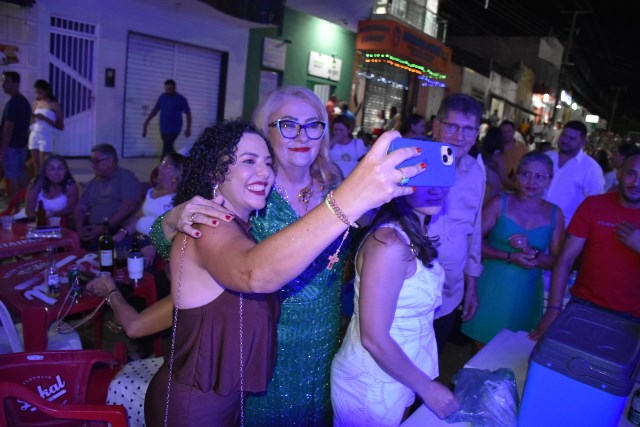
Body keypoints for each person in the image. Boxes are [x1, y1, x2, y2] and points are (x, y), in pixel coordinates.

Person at [143, 119, 423, 426]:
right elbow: (254, 274)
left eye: (267, 162)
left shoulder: (242, 229)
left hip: (227, 405)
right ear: (214, 172)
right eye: (248, 161)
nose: (264, 172)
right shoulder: (210, 225)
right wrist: (350, 199)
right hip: (192, 409)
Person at [331, 186, 459, 425]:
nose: (435, 189)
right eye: (424, 180)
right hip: (374, 381)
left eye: (441, 178)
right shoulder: (389, 245)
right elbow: (373, 338)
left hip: (401, 370)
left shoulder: (412, 230)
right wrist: (427, 388)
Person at [531, 149, 640, 339]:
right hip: (583, 305)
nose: (636, 182)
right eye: (631, 173)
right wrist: (553, 309)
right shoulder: (594, 205)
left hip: (633, 319)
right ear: (619, 173)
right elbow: (565, 260)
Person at [461, 152, 564, 348]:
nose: (531, 181)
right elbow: (471, 243)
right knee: (481, 351)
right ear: (516, 175)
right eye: (526, 174)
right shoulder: (500, 203)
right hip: (492, 287)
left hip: (527, 294)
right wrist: (508, 256)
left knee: (514, 352)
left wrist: (532, 252)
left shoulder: (555, 214)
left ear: (549, 180)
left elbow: (557, 263)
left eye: (539, 176)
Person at [428, 93, 486, 350]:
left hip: (450, 293)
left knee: (432, 362)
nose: (459, 136)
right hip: (407, 291)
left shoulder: (477, 172)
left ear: (476, 134)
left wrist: (471, 287)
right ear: (436, 126)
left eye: (468, 129)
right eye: (452, 126)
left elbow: (474, 232)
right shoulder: (413, 162)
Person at [87, 275, 171, 427]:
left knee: (121, 385)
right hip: (203, 368)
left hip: (198, 383)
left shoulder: (198, 289)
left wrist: (110, 290)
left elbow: (134, 326)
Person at [113, 152, 185, 266]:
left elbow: (177, 230)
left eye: (166, 165)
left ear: (176, 173)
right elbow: (139, 217)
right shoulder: (151, 192)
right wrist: (123, 232)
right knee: (111, 252)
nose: (159, 167)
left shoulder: (179, 198)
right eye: (161, 163)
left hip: (156, 244)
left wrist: (154, 247)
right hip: (135, 238)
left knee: (135, 265)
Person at [74, 144, 141, 249]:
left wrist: (104, 227)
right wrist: (79, 227)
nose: (93, 165)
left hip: (117, 232)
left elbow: (129, 206)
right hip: (93, 230)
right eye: (92, 161)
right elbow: (81, 207)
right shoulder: (93, 182)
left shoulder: (126, 177)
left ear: (110, 161)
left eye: (96, 161)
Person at [543, 120, 604, 228]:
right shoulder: (546, 157)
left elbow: (595, 205)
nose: (565, 140)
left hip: (566, 228)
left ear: (583, 142)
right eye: (564, 135)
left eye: (572, 138)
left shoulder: (591, 168)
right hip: (534, 222)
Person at [0, 71, 31, 198]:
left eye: (6, 81)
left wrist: (1, 152)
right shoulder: (24, 102)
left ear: (16, 84)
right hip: (21, 146)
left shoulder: (12, 104)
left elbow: (8, 130)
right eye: (2, 81)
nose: (3, 84)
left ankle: (16, 207)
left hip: (11, 147)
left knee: (12, 178)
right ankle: (32, 201)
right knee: (20, 175)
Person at [142, 79, 192, 158]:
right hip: (163, 128)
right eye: (166, 89)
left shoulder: (181, 99)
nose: (168, 91)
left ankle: (163, 164)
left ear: (174, 88)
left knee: (166, 148)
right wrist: (147, 120)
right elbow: (155, 110)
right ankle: (179, 161)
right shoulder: (162, 97)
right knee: (168, 148)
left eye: (170, 89)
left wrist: (188, 128)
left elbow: (188, 113)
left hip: (174, 129)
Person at [24, 154, 79, 224]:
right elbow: (29, 212)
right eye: (52, 169)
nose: (56, 173)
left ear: (66, 170)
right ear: (45, 172)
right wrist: (43, 220)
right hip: (33, 221)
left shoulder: (71, 186)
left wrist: (54, 215)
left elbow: (71, 210)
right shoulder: (36, 184)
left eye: (60, 168)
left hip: (60, 222)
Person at [29, 79, 64, 173]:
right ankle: (37, 181)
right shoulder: (35, 103)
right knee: (35, 166)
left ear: (47, 91)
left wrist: (45, 118)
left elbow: (61, 126)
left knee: (44, 166)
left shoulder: (54, 105)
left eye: (40, 92)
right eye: (36, 92)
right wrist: (32, 118)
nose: (38, 95)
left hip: (46, 135)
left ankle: (44, 181)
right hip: (34, 134)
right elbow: (32, 121)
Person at [479, 127, 507, 205]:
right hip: (493, 193)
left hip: (483, 192)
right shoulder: (498, 156)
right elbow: (503, 179)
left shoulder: (482, 155)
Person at [500, 120, 529, 188]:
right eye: (504, 131)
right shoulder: (496, 147)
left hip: (516, 187)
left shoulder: (522, 148)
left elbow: (526, 166)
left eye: (509, 131)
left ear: (513, 132)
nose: (506, 134)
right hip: (498, 186)